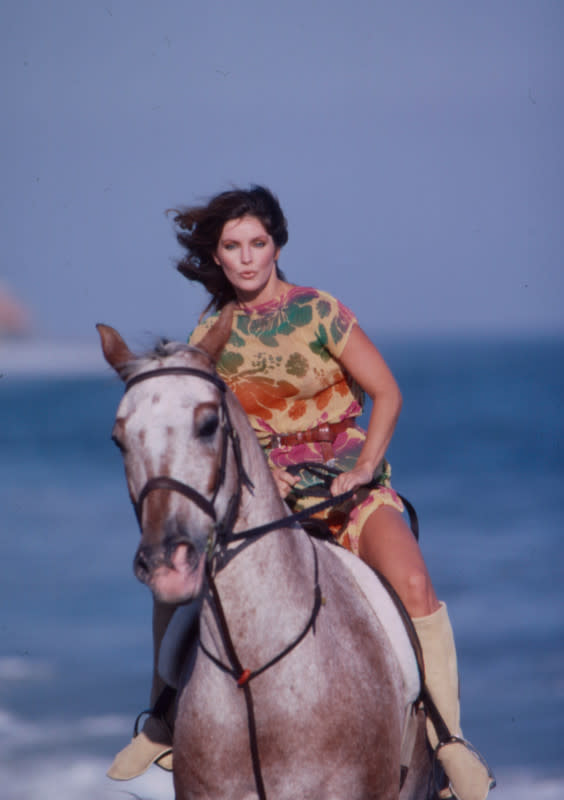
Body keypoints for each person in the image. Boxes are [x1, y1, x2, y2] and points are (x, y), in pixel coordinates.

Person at [109, 186, 493, 800]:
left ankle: (448, 742)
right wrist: (264, 475)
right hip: (270, 502)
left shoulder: (319, 312)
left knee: (416, 586)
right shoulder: (210, 333)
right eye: (232, 247)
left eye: (257, 244)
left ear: (277, 246)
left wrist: (365, 468)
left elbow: (386, 393)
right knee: (173, 585)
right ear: (218, 255)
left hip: (348, 491)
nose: (245, 258)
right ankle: (161, 720)